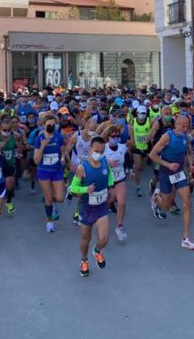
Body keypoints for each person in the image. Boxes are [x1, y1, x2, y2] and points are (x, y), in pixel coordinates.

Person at [149, 114, 194, 250]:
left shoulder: (186, 137)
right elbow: (152, 155)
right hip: (166, 173)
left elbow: (189, 152)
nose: (185, 129)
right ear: (175, 126)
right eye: (182, 126)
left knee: (187, 202)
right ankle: (156, 197)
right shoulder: (167, 137)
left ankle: (186, 238)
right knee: (165, 207)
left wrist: (190, 163)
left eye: (187, 127)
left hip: (179, 173)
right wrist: (167, 164)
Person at [70, 136, 113, 276]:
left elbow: (109, 175)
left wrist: (111, 186)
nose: (99, 154)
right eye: (96, 151)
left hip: (101, 207)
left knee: (104, 238)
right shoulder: (82, 168)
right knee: (85, 238)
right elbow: (72, 188)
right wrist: (85, 190)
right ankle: (84, 261)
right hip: (87, 208)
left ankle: (97, 250)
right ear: (90, 150)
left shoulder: (105, 161)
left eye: (102, 151)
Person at [34, 115, 66, 232]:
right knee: (48, 199)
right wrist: (42, 146)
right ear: (43, 125)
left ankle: (54, 205)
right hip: (44, 172)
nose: (51, 126)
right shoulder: (39, 138)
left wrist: (63, 157)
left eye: (53, 124)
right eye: (49, 125)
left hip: (56, 170)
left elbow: (62, 150)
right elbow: (36, 160)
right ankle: (49, 222)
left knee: (60, 197)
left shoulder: (59, 137)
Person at [103, 125, 129, 241]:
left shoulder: (123, 147)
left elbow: (127, 159)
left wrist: (131, 170)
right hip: (108, 180)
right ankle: (101, 221)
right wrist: (107, 164)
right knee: (109, 200)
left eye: (118, 136)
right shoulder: (103, 149)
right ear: (108, 137)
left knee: (122, 202)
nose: (116, 138)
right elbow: (95, 163)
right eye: (113, 136)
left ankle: (119, 226)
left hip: (120, 178)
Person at [131, 106, 153, 197]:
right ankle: (138, 186)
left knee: (142, 168)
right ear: (137, 113)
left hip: (146, 147)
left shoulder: (149, 121)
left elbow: (154, 128)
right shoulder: (133, 121)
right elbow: (131, 133)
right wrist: (133, 142)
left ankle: (134, 169)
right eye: (141, 113)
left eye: (144, 113)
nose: (142, 115)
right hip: (137, 148)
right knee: (138, 166)